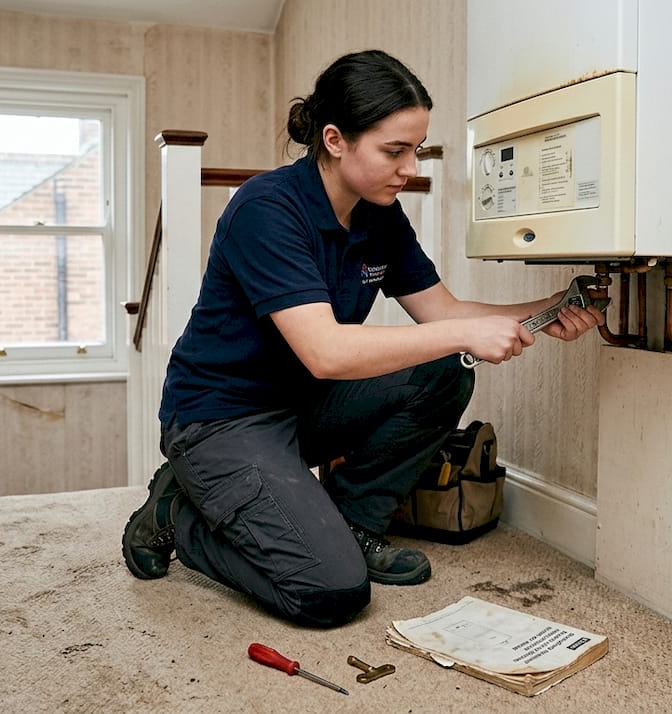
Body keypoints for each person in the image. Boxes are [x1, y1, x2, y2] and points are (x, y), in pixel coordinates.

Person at [122, 50, 604, 628]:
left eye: (415, 150)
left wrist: (548, 310)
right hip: (221, 420)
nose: (409, 167)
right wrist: (463, 332)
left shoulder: (380, 214)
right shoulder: (266, 209)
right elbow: (326, 352)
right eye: (393, 151)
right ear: (334, 140)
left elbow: (444, 312)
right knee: (330, 591)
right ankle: (182, 515)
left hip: (300, 408)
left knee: (447, 367)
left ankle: (353, 522)